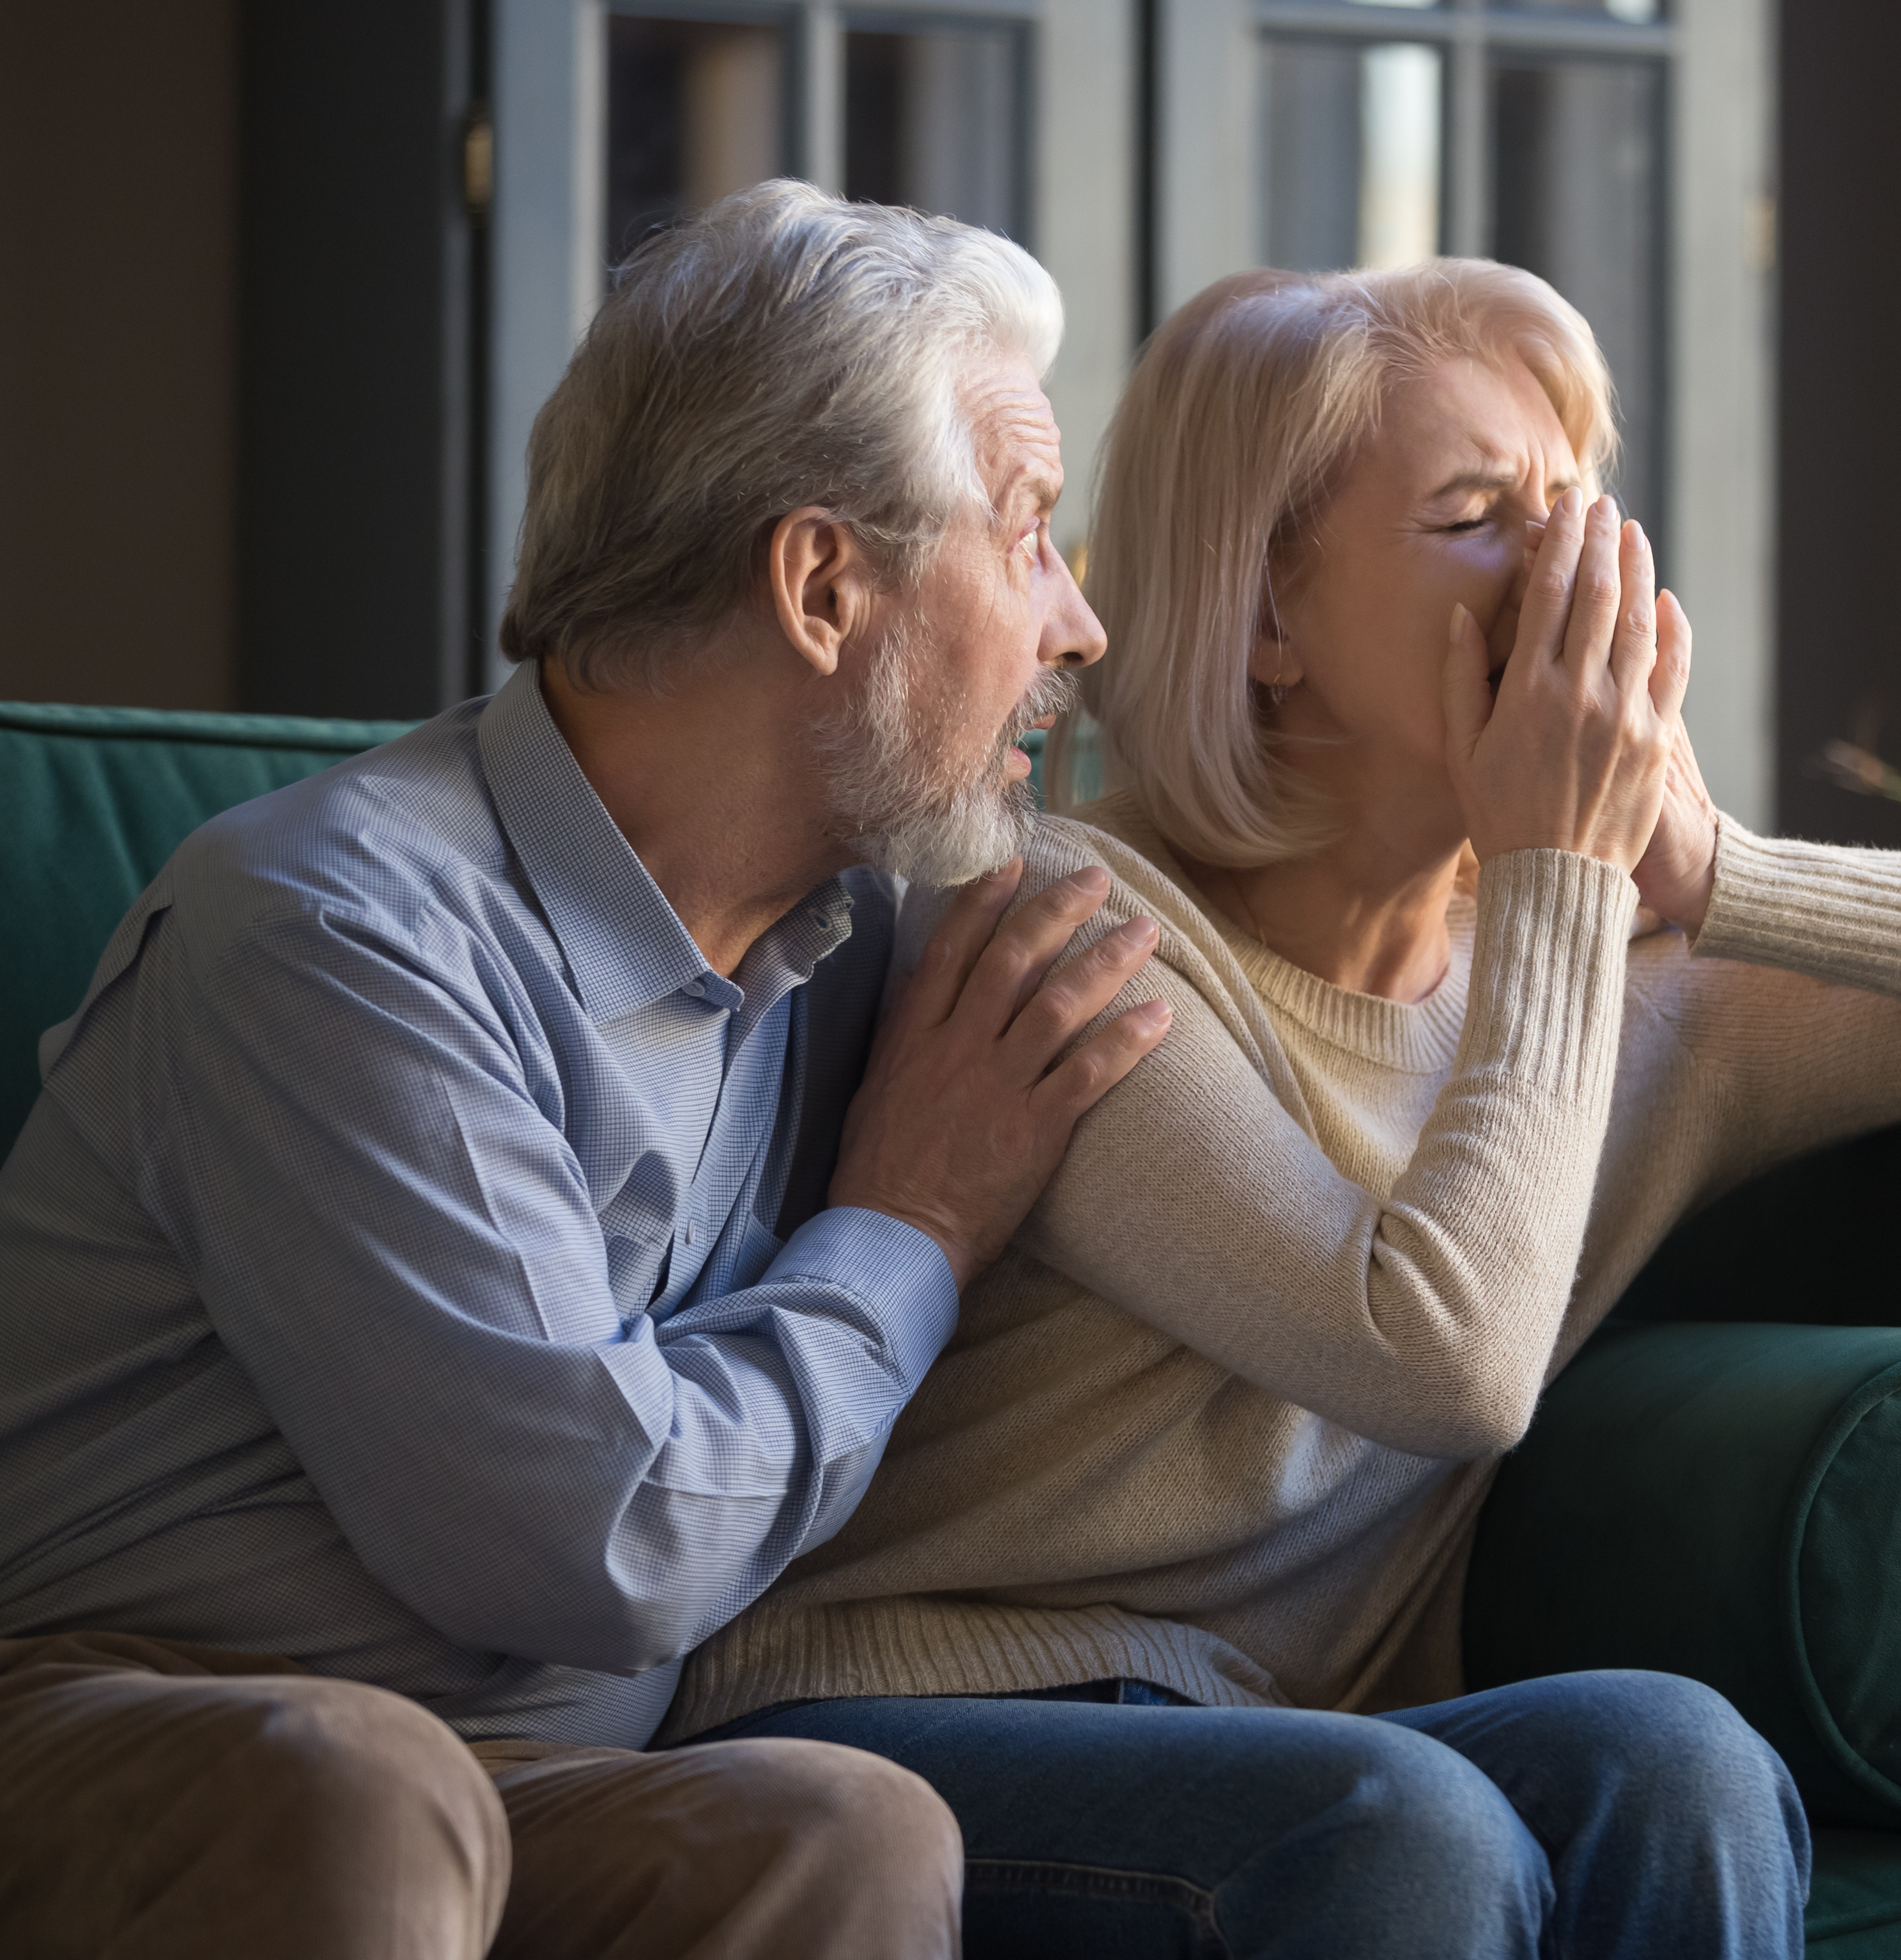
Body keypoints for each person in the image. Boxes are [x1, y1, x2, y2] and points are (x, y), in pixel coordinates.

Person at [671, 263, 1901, 1950]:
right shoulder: (1064, 925)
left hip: (1278, 1740)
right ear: (1270, 618)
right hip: (890, 1724)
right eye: (1474, 518)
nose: (1572, 571)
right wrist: (1559, 881)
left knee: (1684, 1760)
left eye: (1575, 504)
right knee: (1402, 1821)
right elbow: (1439, 1355)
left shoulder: (1610, 971)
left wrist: (1714, 870)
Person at [0, 183, 1151, 1958]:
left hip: (519, 1768)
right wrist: (908, 1227)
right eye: (1026, 536)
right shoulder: (336, 928)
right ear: (823, 582)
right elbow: (596, 1540)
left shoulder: (867, 927)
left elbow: (1256, 902)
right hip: (113, 1719)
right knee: (360, 1784)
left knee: (846, 1829)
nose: (1074, 625)